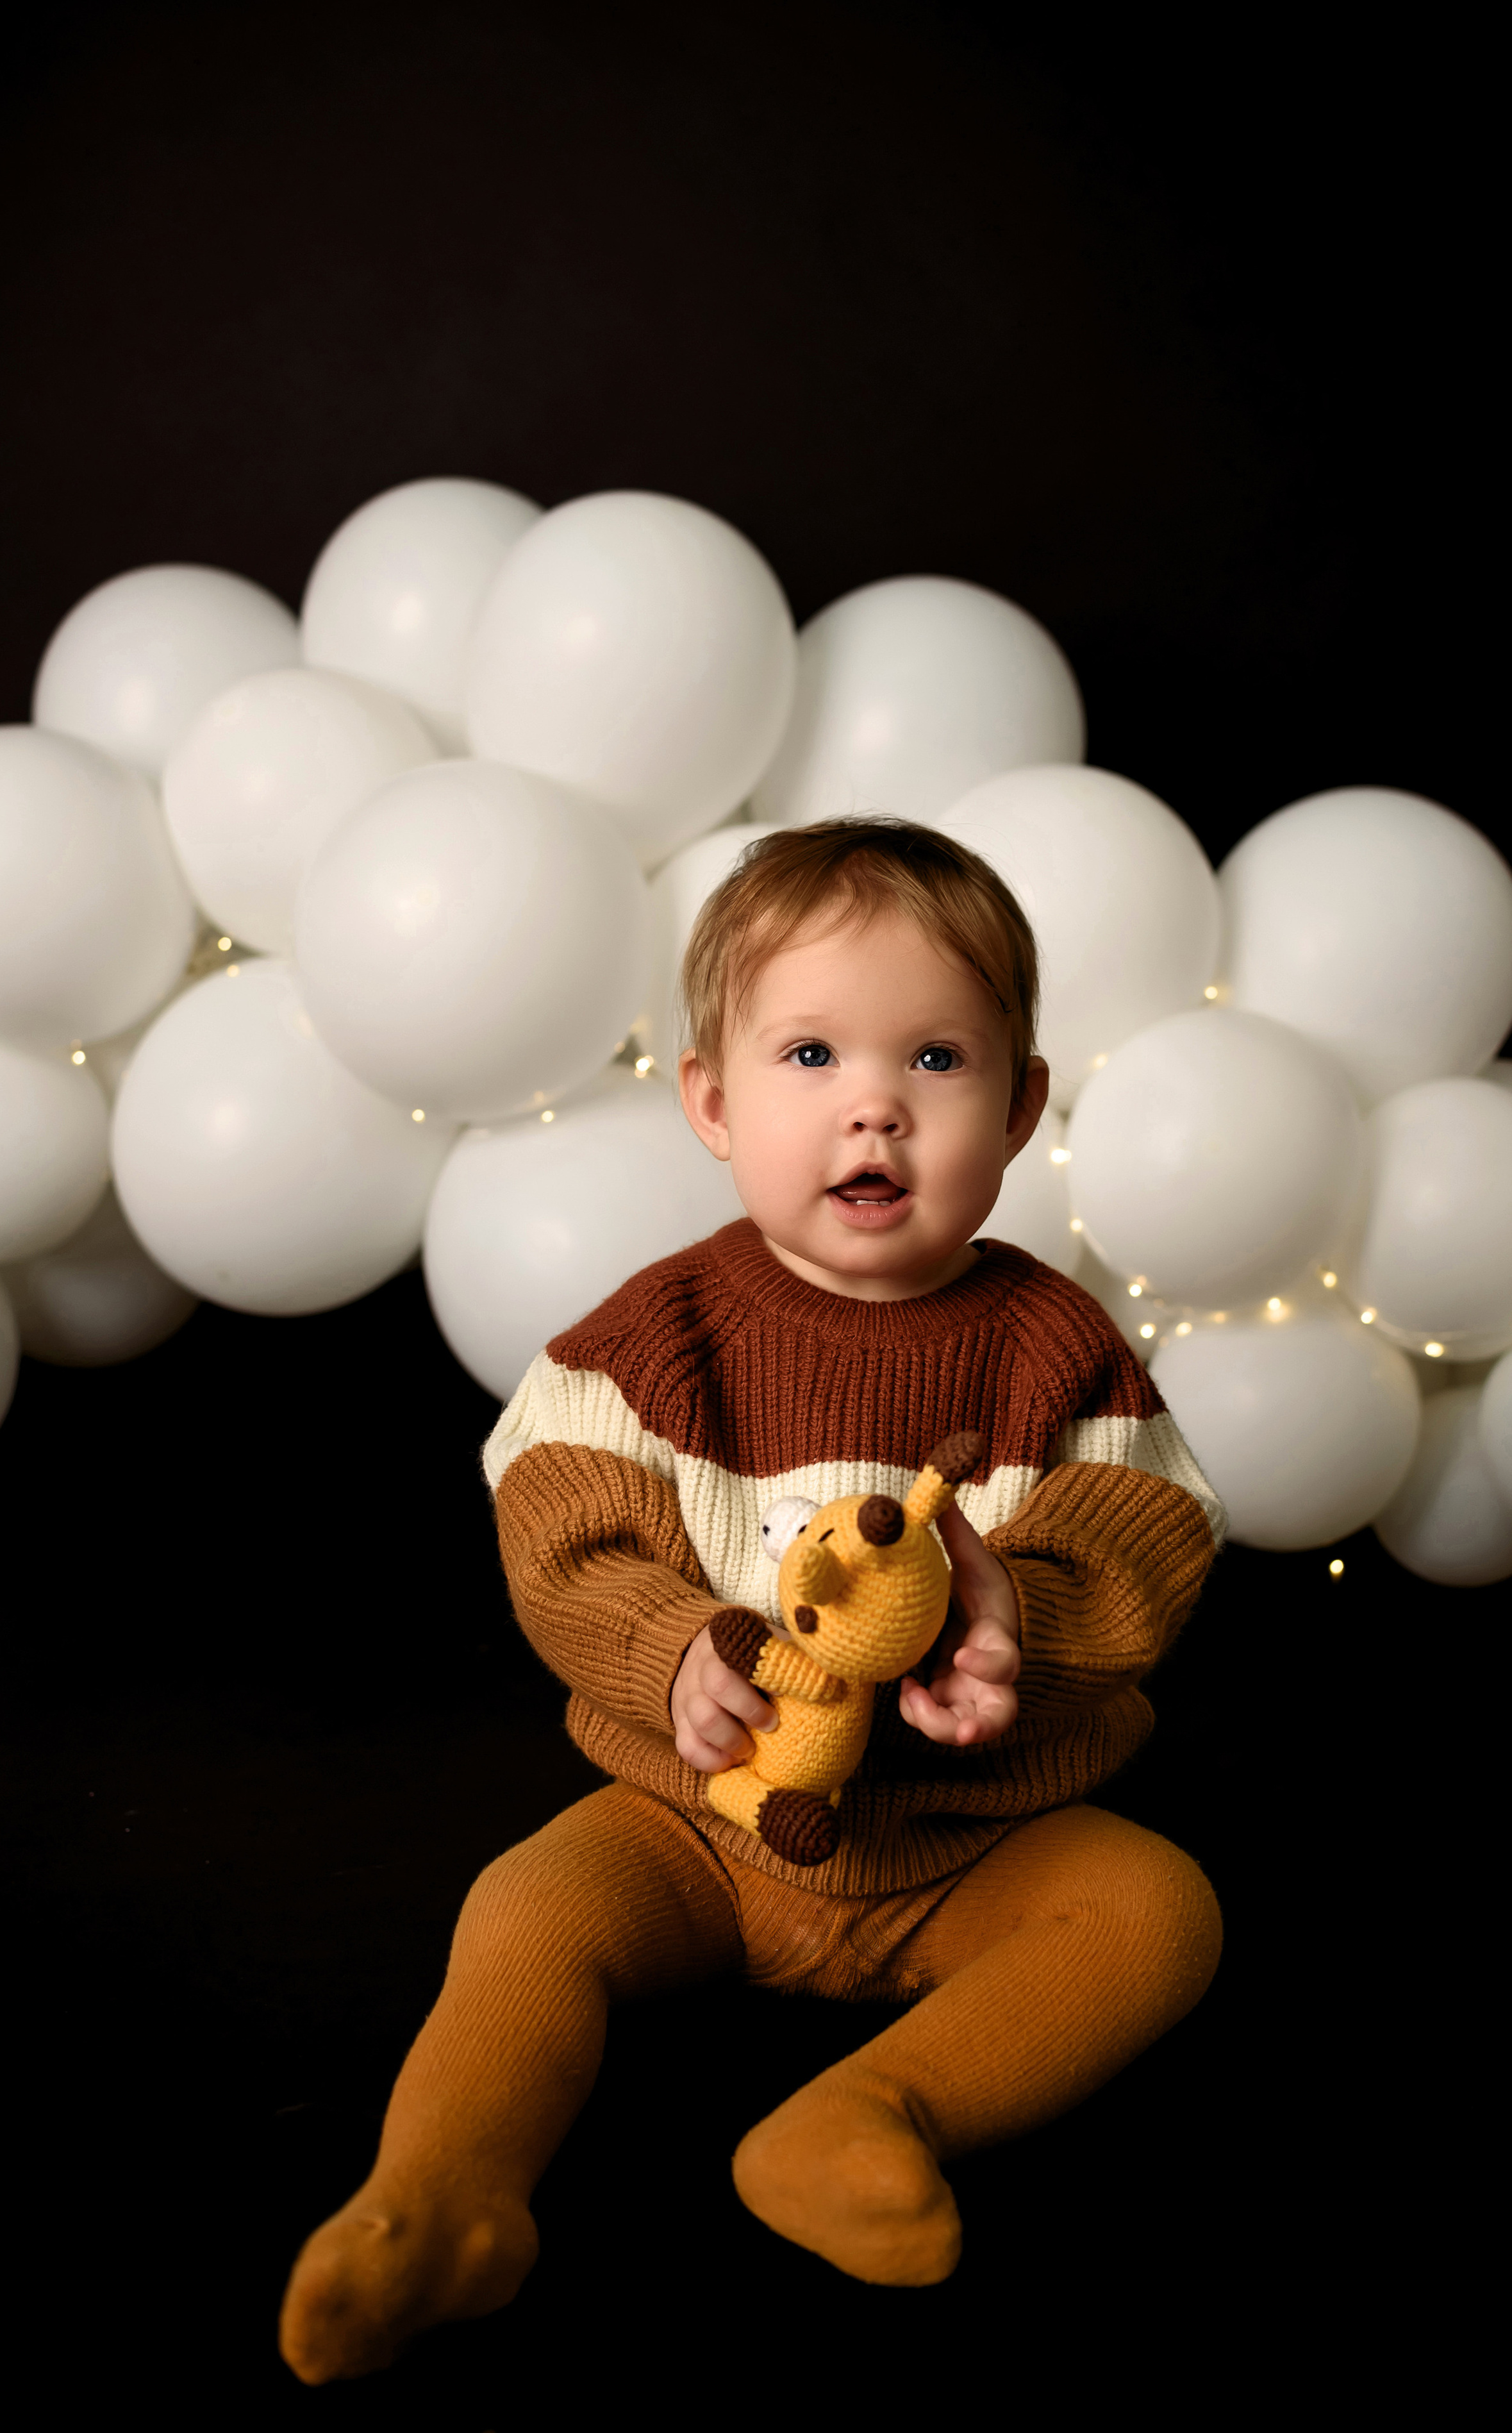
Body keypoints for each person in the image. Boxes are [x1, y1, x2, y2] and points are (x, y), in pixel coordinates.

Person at [279, 818, 1225, 2384]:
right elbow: (560, 1526)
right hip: (696, 1828)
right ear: (710, 1103)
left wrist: (1021, 1631)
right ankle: (440, 2200)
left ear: (1022, 1109)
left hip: (962, 1838)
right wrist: (668, 1654)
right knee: (527, 1911)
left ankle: (870, 2112)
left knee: (1152, 1914)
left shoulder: (1056, 1349)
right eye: (808, 1054)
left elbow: (1146, 1532)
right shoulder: (658, 1336)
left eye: (934, 1059)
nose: (872, 1105)